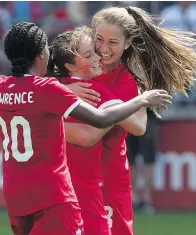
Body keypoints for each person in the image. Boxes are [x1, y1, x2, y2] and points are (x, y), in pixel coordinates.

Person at [0, 22, 171, 235]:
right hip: (53, 194)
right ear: (40, 55)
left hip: (15, 194)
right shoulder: (50, 89)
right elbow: (101, 120)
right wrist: (142, 100)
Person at [65, 6, 196, 235]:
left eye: (113, 43)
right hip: (71, 176)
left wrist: (107, 99)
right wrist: (62, 88)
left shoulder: (126, 79)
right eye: (99, 39)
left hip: (108, 179)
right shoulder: (76, 64)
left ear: (127, 44)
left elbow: (138, 126)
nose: (103, 49)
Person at [48, 26, 167, 235]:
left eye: (95, 50)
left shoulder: (47, 89)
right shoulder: (95, 92)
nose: (98, 57)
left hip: (53, 190)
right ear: (70, 66)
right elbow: (136, 126)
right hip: (87, 191)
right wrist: (142, 99)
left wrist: (44, 125)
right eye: (89, 54)